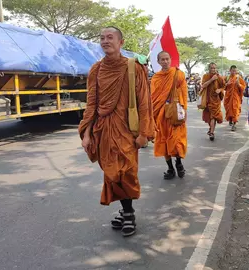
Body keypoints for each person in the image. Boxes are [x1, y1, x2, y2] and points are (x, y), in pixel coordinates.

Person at [79, 26, 155, 237]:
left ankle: (128, 213)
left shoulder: (134, 68)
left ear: (121, 42)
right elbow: (91, 104)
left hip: (127, 131)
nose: (105, 41)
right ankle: (125, 210)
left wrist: (143, 133)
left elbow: (144, 103)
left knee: (126, 172)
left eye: (110, 37)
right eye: (102, 38)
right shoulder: (96, 69)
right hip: (103, 130)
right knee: (112, 173)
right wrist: (86, 134)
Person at [150, 51, 188, 180]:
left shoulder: (178, 74)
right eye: (162, 59)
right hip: (161, 114)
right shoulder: (156, 78)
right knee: (164, 141)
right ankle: (170, 168)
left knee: (176, 139)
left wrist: (184, 109)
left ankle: (178, 163)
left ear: (170, 59)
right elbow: (153, 97)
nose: (165, 61)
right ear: (158, 61)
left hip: (176, 113)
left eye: (167, 59)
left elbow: (184, 93)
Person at [201, 63, 226, 141]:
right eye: (212, 68)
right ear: (209, 69)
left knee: (213, 116)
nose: (213, 70)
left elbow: (224, 86)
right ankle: (211, 129)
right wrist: (211, 80)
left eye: (214, 68)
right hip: (207, 99)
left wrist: (220, 90)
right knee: (209, 117)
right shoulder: (205, 76)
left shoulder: (219, 77)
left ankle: (211, 132)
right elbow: (203, 85)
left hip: (216, 100)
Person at [224, 65, 246, 131]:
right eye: (232, 70)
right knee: (229, 109)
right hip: (228, 97)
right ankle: (230, 119)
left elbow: (243, 87)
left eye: (235, 71)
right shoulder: (227, 78)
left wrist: (239, 84)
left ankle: (234, 124)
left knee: (235, 110)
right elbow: (223, 87)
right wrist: (227, 84)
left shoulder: (239, 78)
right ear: (230, 70)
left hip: (236, 97)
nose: (234, 72)